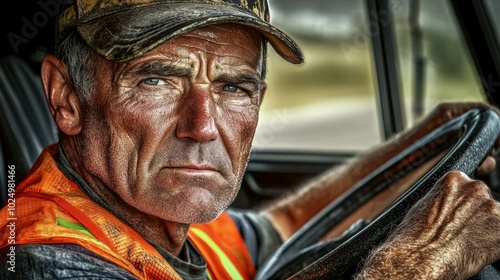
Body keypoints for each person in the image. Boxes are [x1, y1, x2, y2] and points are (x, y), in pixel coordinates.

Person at [1, 0, 500, 279]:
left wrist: (419, 145)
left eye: (233, 87)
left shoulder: (169, 219)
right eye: (156, 81)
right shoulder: (47, 259)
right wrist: (415, 268)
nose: (203, 125)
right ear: (66, 98)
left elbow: (286, 226)